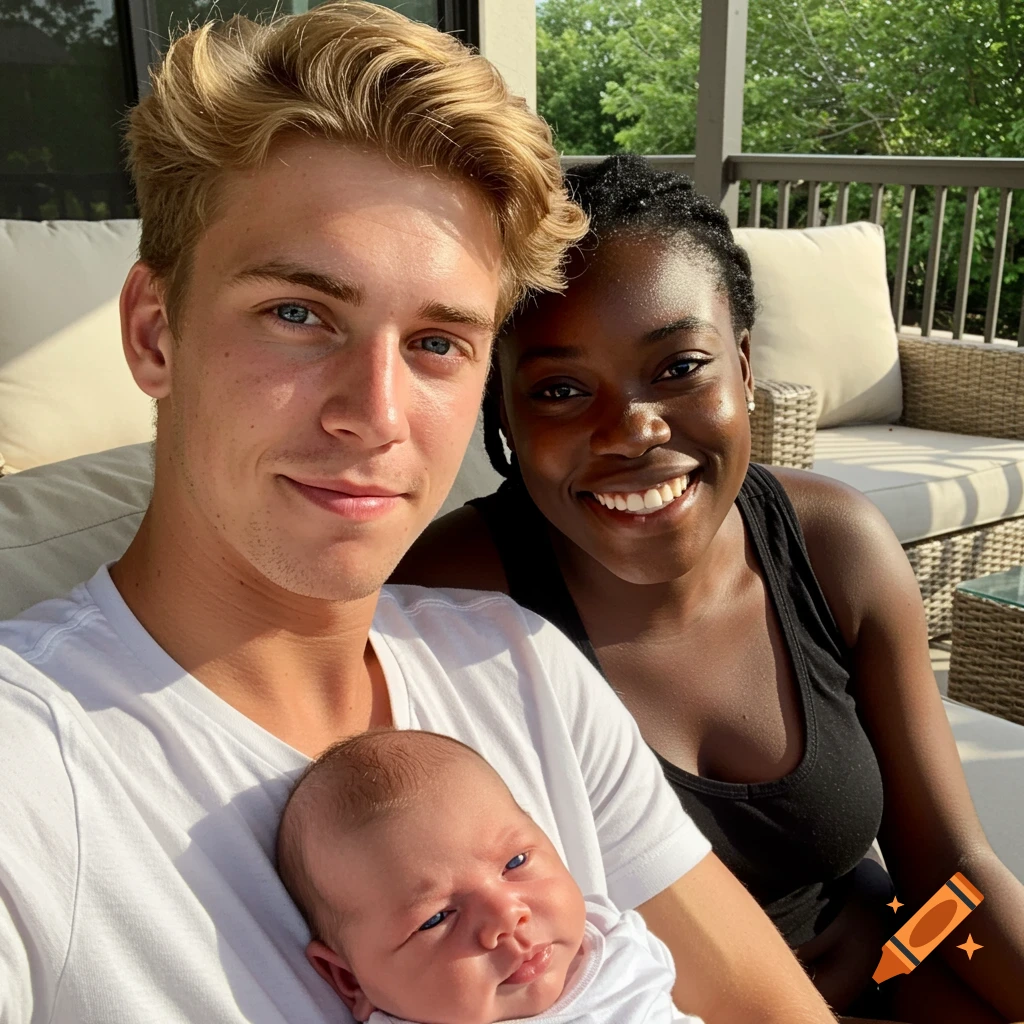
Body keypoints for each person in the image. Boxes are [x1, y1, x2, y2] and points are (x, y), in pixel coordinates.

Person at [0, 7, 837, 1024]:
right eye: (299, 315)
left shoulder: (522, 672)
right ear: (152, 331)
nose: (375, 415)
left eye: (438, 341)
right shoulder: (33, 774)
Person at [393, 155, 1024, 1024]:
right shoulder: (445, 613)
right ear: (502, 412)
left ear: (746, 366)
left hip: (897, 969)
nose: (632, 429)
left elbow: (950, 880)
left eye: (680, 365)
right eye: (562, 389)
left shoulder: (833, 545)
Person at [276, 729, 705, 1024]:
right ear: (349, 979)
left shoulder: (618, 947)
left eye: (515, 863)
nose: (505, 915)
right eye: (436, 919)